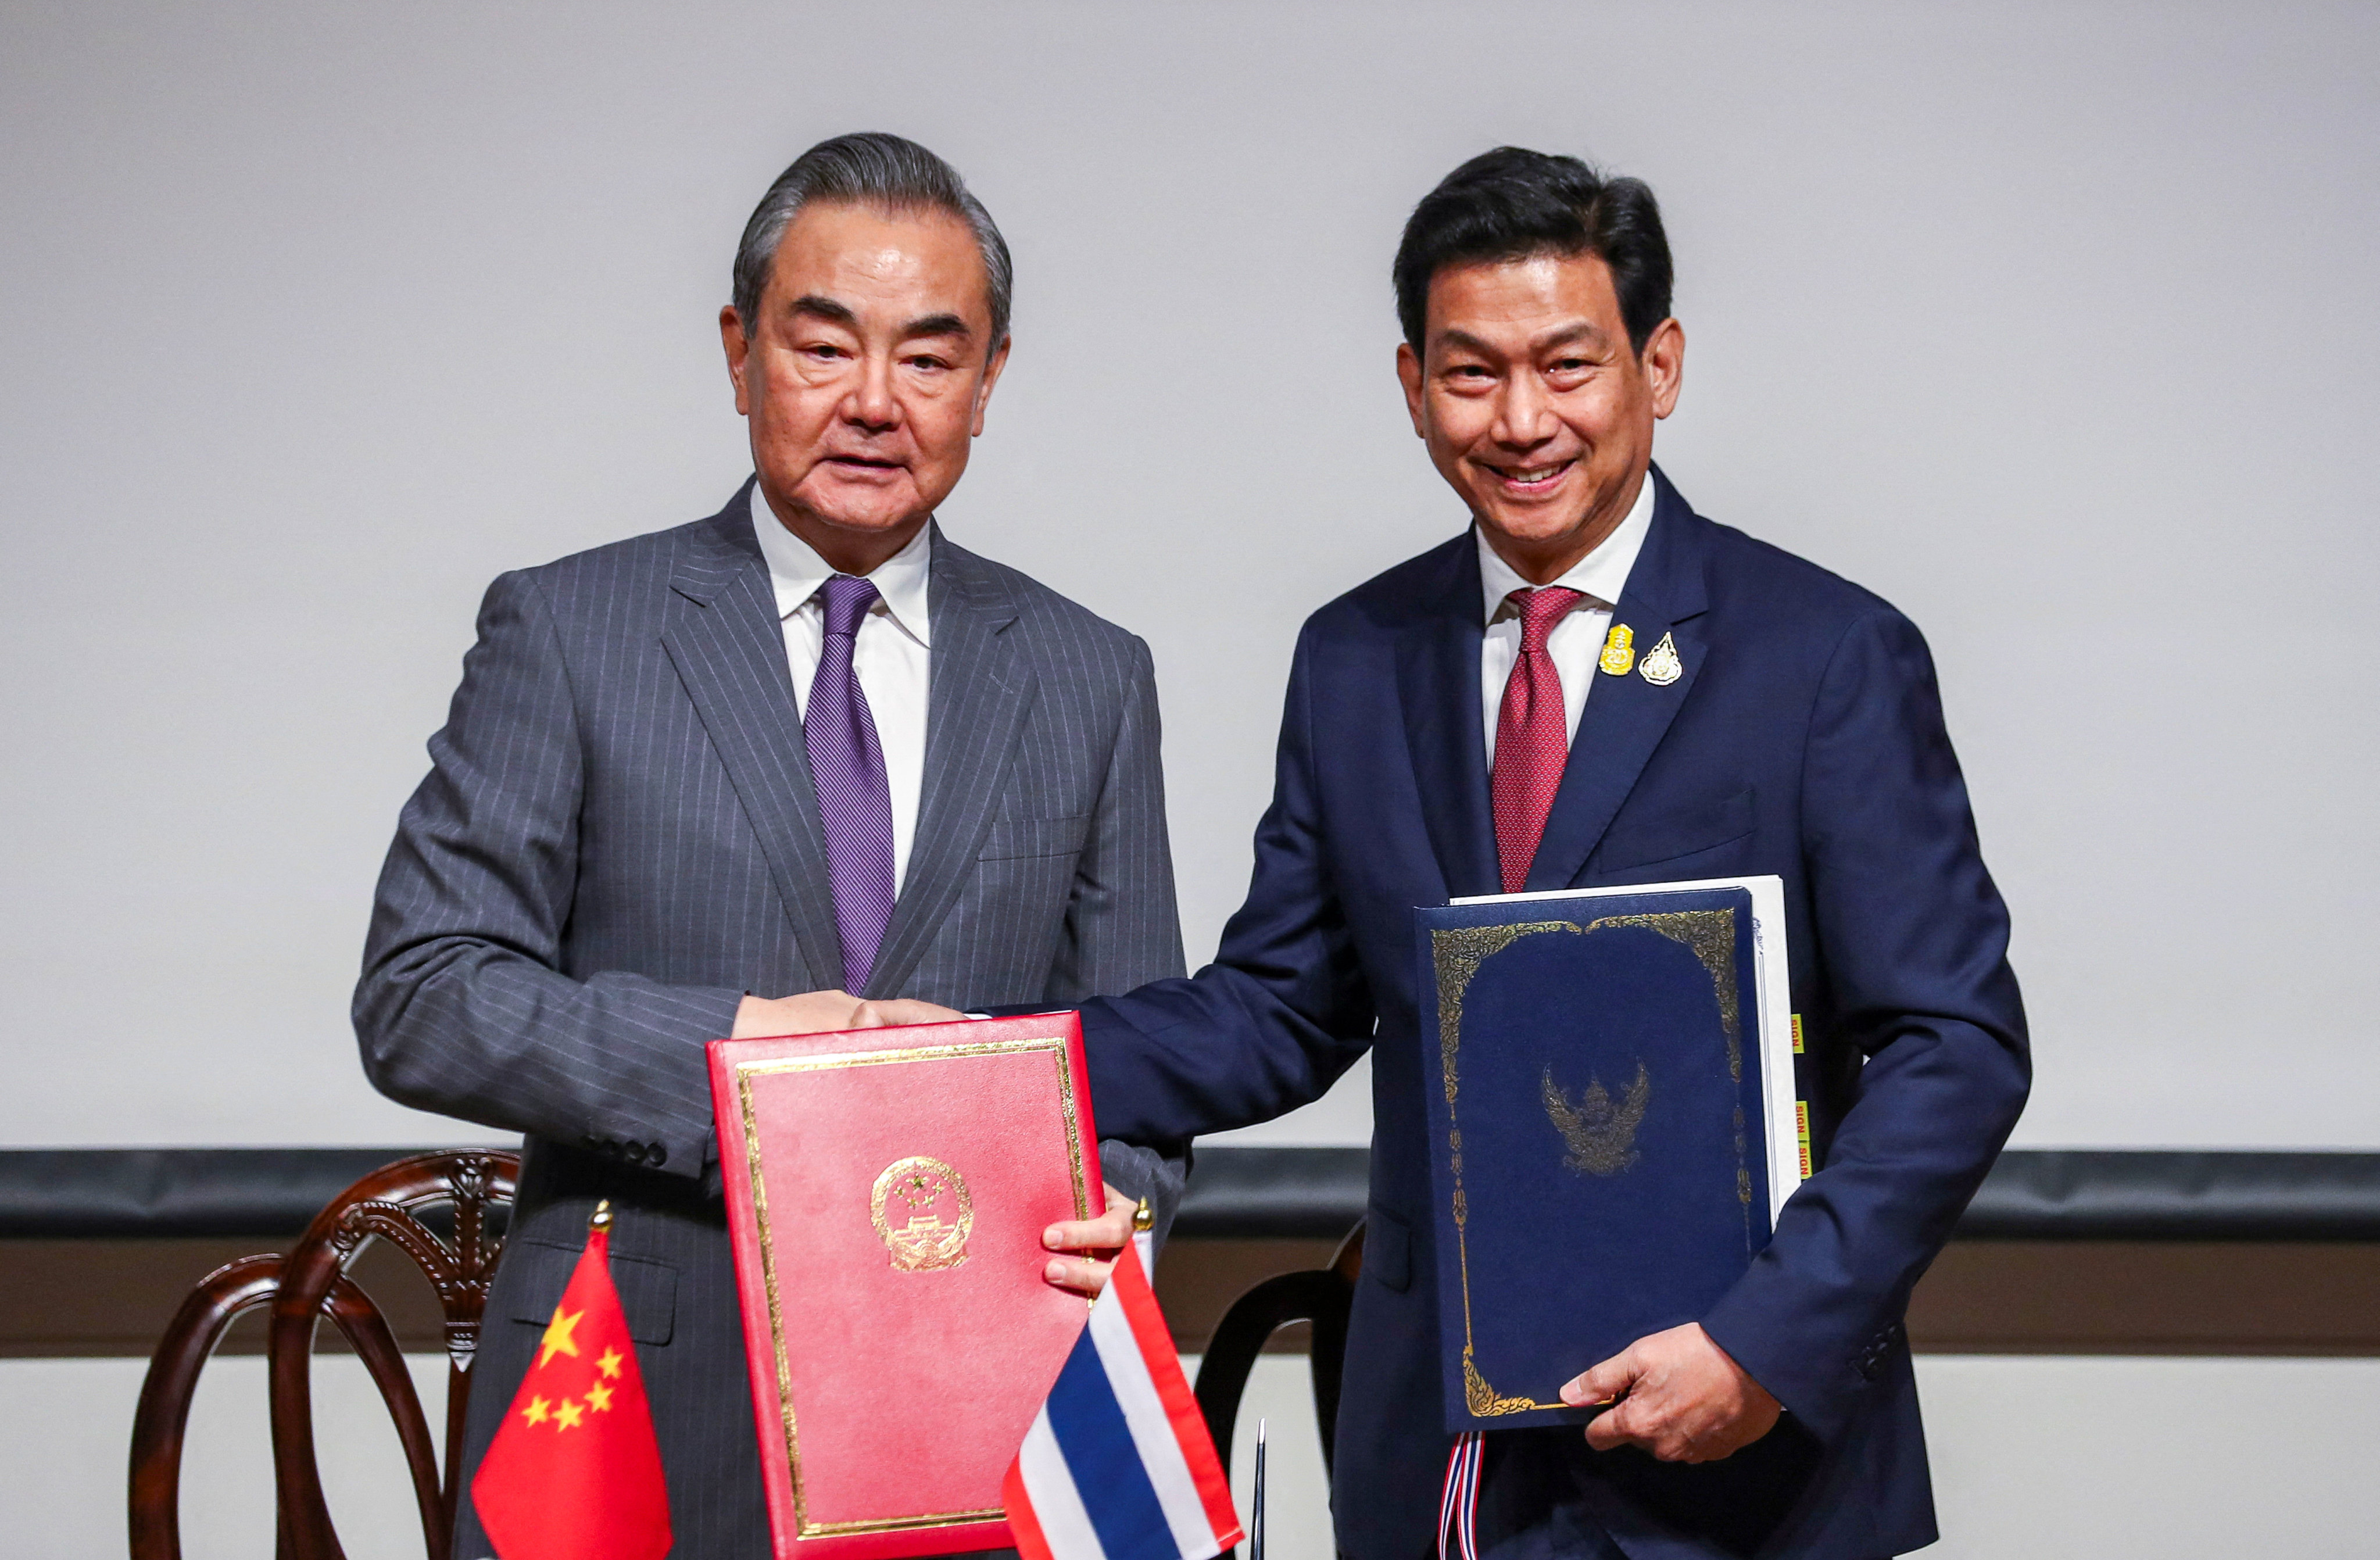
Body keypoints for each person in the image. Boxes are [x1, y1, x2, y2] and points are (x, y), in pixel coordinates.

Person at [887, 147, 2030, 1558]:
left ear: (1656, 367)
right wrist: (963, 1062)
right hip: (1438, 1449)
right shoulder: (1355, 655)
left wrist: (1762, 1340)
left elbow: (1951, 1042)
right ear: (1411, 386)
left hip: (1736, 1439)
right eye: (1470, 372)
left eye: (1569, 365)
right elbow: (1280, 1010)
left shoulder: (1822, 654)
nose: (1522, 419)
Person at [353, 132, 1184, 1558]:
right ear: (739, 354)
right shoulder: (572, 632)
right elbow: (422, 993)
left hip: (974, 1398)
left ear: (987, 383)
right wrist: (740, 1046)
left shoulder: (1087, 675)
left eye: (929, 360)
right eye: (822, 349)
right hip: (632, 1397)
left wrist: (1122, 1195)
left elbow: (1137, 1065)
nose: (874, 403)